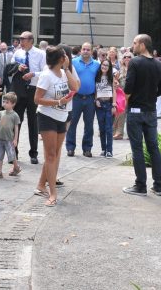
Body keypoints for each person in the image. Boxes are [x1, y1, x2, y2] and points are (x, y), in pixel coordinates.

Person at [34, 45, 80, 207]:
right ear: (61, 59)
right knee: (51, 155)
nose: (67, 58)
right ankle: (52, 192)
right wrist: (58, 102)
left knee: (55, 153)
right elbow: (37, 99)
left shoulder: (63, 73)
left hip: (62, 116)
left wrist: (67, 69)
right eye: (64, 57)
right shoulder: (46, 75)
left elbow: (76, 87)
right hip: (47, 116)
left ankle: (42, 185)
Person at [122, 34, 161, 197]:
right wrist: (150, 96)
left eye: (134, 43)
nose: (132, 46)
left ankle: (140, 186)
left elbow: (128, 88)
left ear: (142, 45)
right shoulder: (159, 65)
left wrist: (127, 101)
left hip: (135, 111)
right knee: (153, 147)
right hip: (151, 111)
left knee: (137, 148)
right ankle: (158, 185)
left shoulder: (135, 62)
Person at [13, 32, 46, 164]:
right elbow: (10, 68)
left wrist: (33, 74)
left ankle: (34, 153)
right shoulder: (17, 53)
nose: (21, 41)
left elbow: (45, 71)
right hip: (20, 89)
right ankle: (13, 152)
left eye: (23, 39)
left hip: (33, 89)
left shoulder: (40, 54)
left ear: (31, 40)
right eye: (20, 39)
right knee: (16, 120)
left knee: (33, 122)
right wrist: (17, 67)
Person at [66, 42, 98, 158]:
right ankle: (70, 148)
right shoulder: (73, 63)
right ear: (80, 50)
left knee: (89, 125)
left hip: (90, 98)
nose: (85, 51)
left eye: (88, 49)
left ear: (91, 51)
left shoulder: (96, 64)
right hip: (76, 98)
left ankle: (87, 148)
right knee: (72, 123)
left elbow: (98, 81)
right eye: (84, 49)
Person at [0, 92, 21, 179]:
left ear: (13, 104)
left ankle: (16, 167)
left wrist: (15, 139)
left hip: (9, 139)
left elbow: (16, 128)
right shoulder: (0, 113)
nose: (4, 104)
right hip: (0, 138)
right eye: (4, 101)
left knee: (12, 155)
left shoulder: (15, 115)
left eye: (7, 102)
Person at [94, 59, 116, 157]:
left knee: (109, 129)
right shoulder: (96, 77)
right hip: (99, 105)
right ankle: (103, 149)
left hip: (109, 104)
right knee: (102, 129)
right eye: (103, 65)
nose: (104, 67)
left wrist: (114, 105)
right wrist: (96, 100)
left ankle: (109, 150)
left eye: (107, 65)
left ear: (109, 67)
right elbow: (95, 90)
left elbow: (114, 91)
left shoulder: (111, 78)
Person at [113, 53, 130, 140]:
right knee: (120, 114)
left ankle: (131, 134)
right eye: (125, 57)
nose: (127, 58)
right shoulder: (119, 70)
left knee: (131, 116)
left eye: (129, 57)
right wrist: (116, 83)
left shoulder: (135, 69)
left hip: (133, 95)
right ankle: (119, 133)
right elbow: (115, 81)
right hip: (122, 95)